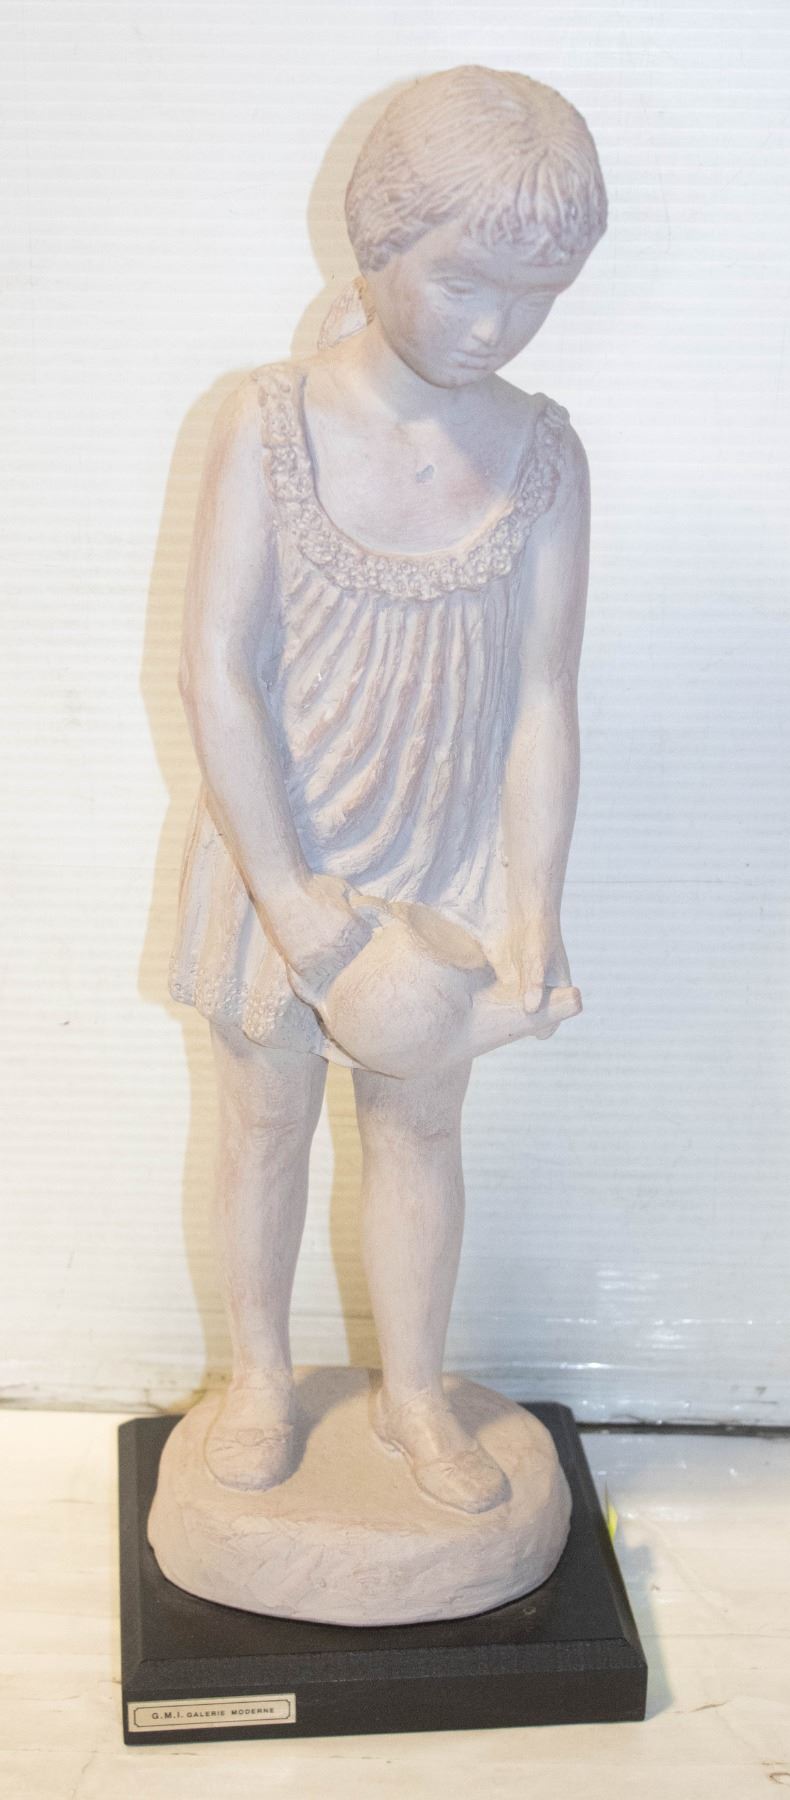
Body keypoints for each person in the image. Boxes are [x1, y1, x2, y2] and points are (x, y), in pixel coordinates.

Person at [169, 64, 607, 1512]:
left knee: (420, 1128)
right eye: (463, 283)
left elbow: (542, 702)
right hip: (274, 852)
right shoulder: (268, 423)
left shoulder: (543, 456)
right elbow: (216, 672)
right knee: (264, 1119)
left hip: (435, 860)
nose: (494, 328)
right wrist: (297, 913)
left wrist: (531, 908)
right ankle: (258, 1376)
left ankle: (415, 1392)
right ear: (377, 242)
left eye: (535, 297)